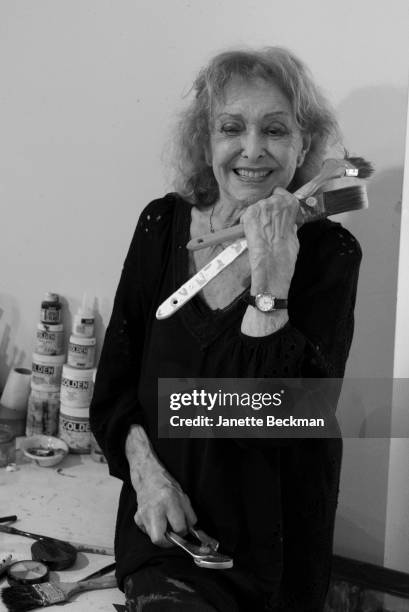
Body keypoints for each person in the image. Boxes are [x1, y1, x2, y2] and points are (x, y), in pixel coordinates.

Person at [90, 47, 362, 612]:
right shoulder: (162, 226)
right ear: (206, 141)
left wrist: (273, 279)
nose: (253, 149)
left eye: (276, 130)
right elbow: (114, 393)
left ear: (304, 146)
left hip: (272, 554)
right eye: (231, 128)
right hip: (166, 534)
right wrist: (149, 477)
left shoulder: (331, 255)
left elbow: (276, 419)